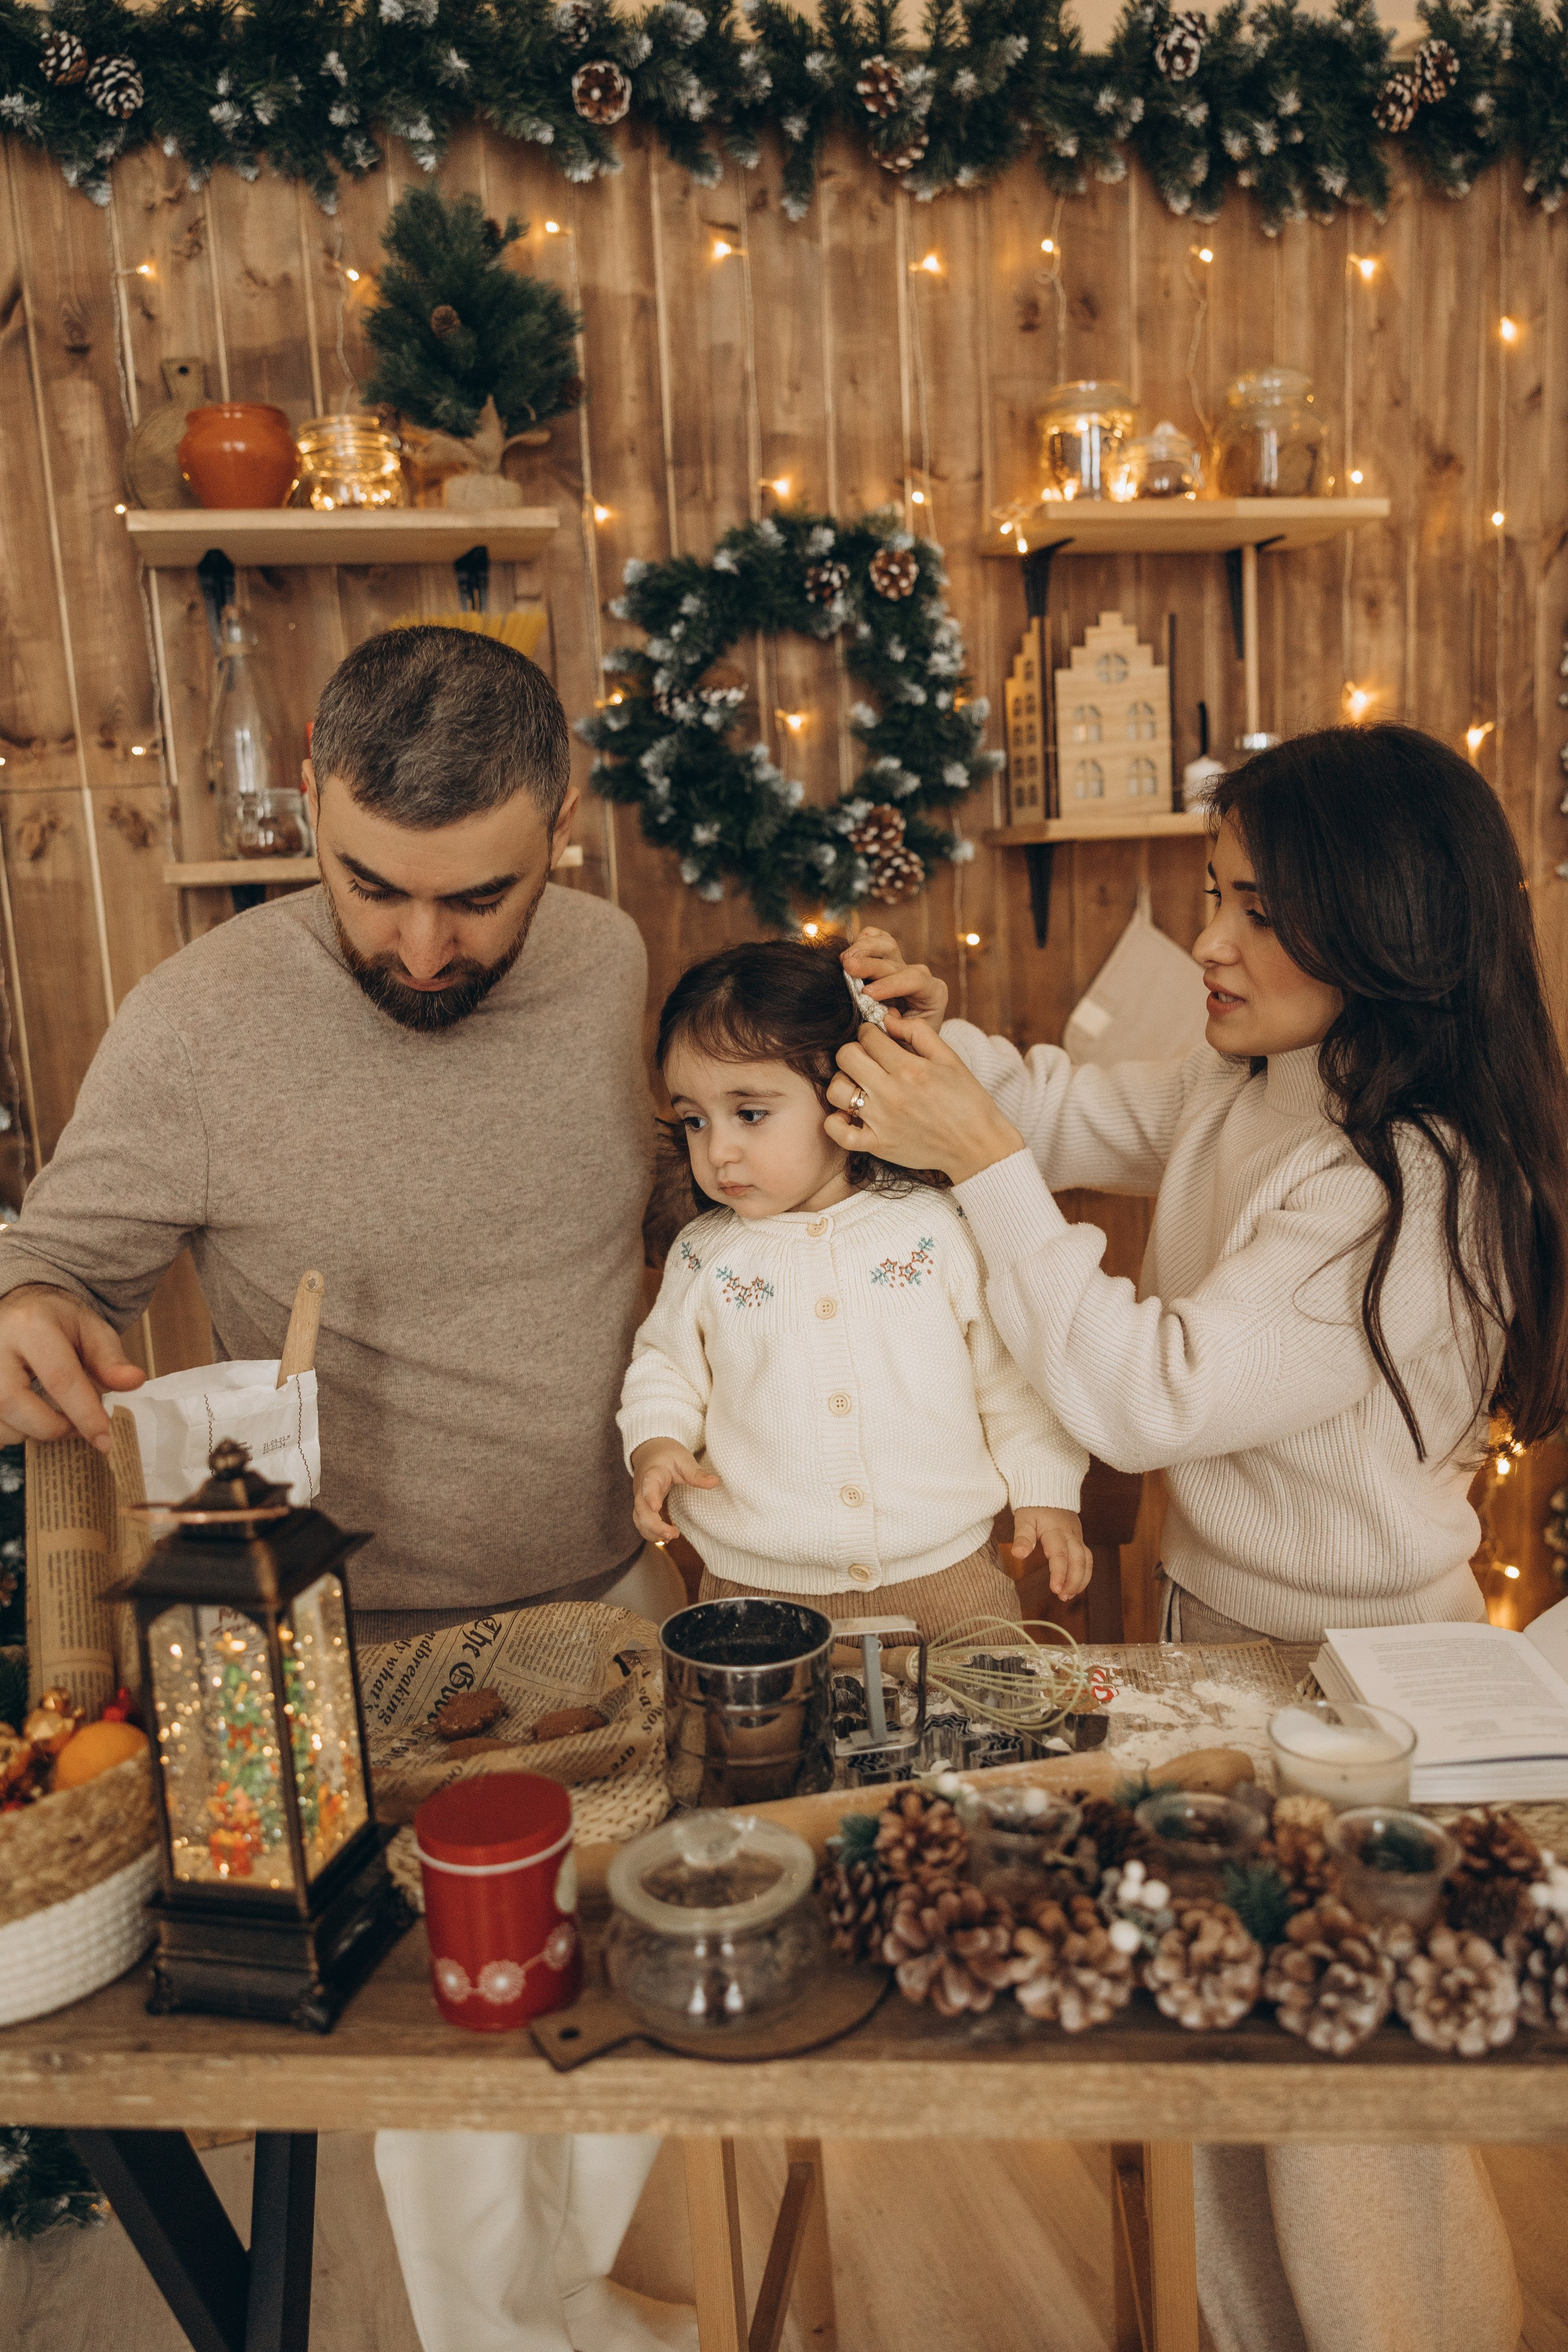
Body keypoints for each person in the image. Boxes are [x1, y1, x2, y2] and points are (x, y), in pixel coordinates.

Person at [821, 724, 1568, 2352]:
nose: (1210, 945)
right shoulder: (1268, 1075)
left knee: (1344, 2107)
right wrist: (967, 1068)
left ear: (1385, 926)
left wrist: (986, 1162)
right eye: (1214, 895)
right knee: (1224, 2053)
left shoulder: (1398, 1191)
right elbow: (1093, 1106)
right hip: (1214, 1646)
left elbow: (1145, 1398)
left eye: (1257, 912)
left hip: (1371, 1692)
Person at [0, 626, 688, 2352]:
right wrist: (24, 1304)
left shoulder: (612, 963)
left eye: (477, 897)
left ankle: (602, 2316)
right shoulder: (201, 1023)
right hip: (349, 1664)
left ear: (564, 823)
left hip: (613, 1617)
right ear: (309, 790)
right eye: (376, 887)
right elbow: (56, 1262)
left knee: (633, 2040)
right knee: (455, 2104)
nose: (423, 944)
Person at [619, 938, 1090, 1635]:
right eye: (695, 1120)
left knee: (979, 1730)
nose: (717, 1151)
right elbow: (664, 1369)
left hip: (946, 1578)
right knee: (766, 1746)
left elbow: (1013, 1381)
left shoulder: (939, 1230)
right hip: (755, 1595)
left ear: (847, 1097)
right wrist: (656, 1442)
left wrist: (1046, 1494)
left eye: (749, 1114)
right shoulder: (705, 1254)